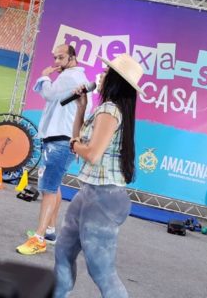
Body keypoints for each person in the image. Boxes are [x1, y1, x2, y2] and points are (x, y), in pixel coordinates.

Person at [54, 53, 144, 298]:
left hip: (104, 198)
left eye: (105, 73)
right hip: (90, 192)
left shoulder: (109, 110)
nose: (100, 76)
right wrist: (81, 108)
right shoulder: (106, 109)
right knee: (63, 249)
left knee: (101, 270)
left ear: (115, 80)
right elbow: (79, 140)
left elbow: (92, 153)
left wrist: (74, 145)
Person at [16, 44, 91, 255]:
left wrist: (44, 76)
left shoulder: (70, 77)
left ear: (72, 57)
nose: (56, 62)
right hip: (62, 139)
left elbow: (48, 94)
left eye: (60, 57)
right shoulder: (75, 76)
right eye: (55, 57)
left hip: (61, 140)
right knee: (53, 185)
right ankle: (49, 232)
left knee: (48, 189)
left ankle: (39, 238)